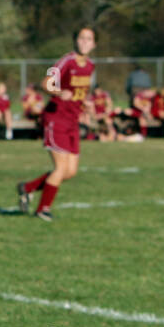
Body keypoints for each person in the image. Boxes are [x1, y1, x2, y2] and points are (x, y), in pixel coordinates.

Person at [16, 27, 96, 220]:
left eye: (89, 39)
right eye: (81, 38)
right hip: (56, 118)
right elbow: (45, 83)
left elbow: (78, 91)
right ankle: (43, 209)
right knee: (60, 169)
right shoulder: (66, 61)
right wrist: (59, 92)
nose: (85, 42)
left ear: (94, 44)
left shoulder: (90, 66)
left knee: (70, 172)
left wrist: (84, 104)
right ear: (75, 41)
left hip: (72, 121)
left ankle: (28, 188)